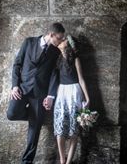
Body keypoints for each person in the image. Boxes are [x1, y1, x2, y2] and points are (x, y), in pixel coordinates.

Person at [9, 22, 66, 164]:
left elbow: (54, 74)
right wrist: (14, 86)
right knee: (11, 114)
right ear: (51, 35)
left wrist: (51, 96)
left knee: (34, 131)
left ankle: (27, 161)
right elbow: (17, 64)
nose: (60, 41)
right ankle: (34, 117)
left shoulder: (55, 52)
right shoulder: (28, 42)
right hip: (22, 89)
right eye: (59, 38)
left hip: (40, 94)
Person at [48, 34, 90, 164]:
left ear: (69, 44)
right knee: (59, 127)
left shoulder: (75, 59)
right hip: (62, 92)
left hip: (74, 91)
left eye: (64, 39)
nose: (61, 41)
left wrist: (88, 99)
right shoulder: (58, 59)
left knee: (74, 130)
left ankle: (69, 162)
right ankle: (62, 159)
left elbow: (81, 80)